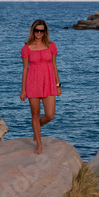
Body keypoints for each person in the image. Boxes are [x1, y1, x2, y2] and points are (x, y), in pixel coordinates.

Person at [20, 19, 61, 154]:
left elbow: (54, 66)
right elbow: (25, 69)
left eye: (41, 31)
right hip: (33, 83)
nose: (39, 33)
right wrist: (23, 90)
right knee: (35, 115)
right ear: (33, 31)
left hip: (49, 83)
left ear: (45, 32)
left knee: (50, 115)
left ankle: (37, 129)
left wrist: (58, 84)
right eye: (36, 30)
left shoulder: (51, 45)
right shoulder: (27, 48)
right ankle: (39, 144)